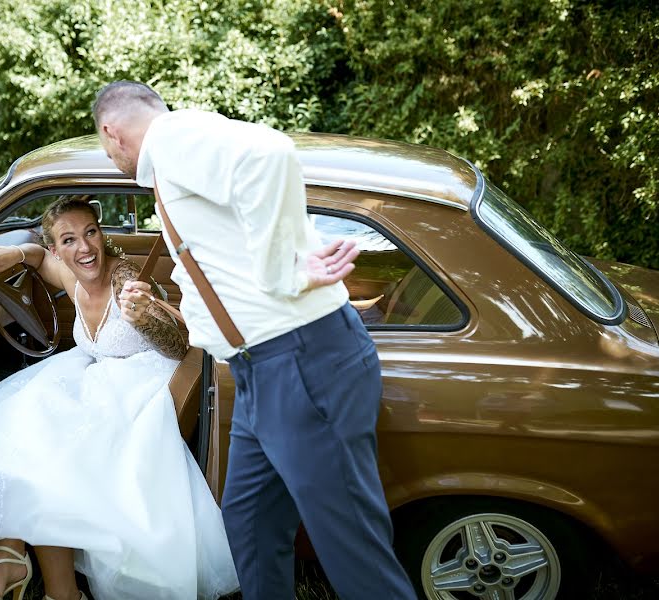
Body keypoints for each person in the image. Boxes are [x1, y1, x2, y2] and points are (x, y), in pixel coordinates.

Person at [93, 81, 416, 600]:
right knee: (250, 524)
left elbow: (271, 152)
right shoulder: (177, 155)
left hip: (301, 364)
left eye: (106, 151)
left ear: (112, 132)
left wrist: (281, 271)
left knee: (352, 550)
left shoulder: (172, 142)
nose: (112, 160)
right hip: (263, 372)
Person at [0, 196, 239, 600]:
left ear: (101, 234)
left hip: (137, 388)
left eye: (91, 233)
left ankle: (31, 577)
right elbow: (38, 258)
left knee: (51, 452)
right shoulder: (69, 273)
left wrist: (145, 317)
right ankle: (12, 557)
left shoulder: (125, 278)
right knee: (15, 418)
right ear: (57, 249)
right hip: (92, 374)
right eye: (69, 240)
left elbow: (177, 346)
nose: (85, 248)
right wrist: (15, 253)